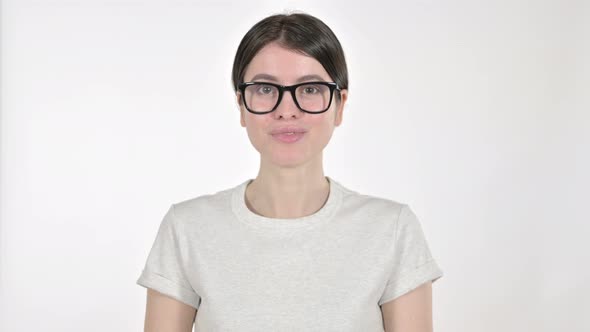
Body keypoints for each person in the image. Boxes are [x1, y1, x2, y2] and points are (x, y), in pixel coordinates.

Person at [136, 11, 443, 332]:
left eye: (310, 89)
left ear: (340, 104)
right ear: (241, 105)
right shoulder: (186, 229)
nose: (286, 110)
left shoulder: (392, 230)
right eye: (266, 89)